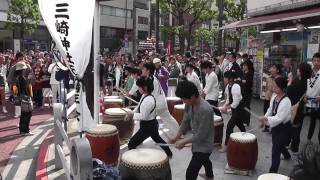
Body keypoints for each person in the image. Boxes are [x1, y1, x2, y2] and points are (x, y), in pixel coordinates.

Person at [171, 80, 214, 180]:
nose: (183, 101)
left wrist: (184, 141)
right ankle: (210, 176)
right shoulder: (189, 103)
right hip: (196, 141)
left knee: (190, 173)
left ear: (192, 96)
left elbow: (201, 135)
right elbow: (185, 120)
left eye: (184, 99)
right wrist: (177, 136)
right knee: (205, 161)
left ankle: (209, 175)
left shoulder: (206, 110)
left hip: (205, 144)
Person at [126, 77, 172, 157]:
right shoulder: (145, 95)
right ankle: (169, 153)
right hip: (150, 124)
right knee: (158, 139)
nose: (138, 89)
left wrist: (132, 115)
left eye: (139, 87)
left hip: (148, 126)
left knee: (131, 143)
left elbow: (144, 116)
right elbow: (139, 106)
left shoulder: (149, 101)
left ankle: (133, 161)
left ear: (145, 87)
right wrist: (132, 112)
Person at [259, 77, 292, 173]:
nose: (273, 87)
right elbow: (270, 110)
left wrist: (266, 120)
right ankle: (287, 155)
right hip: (276, 126)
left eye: (276, 86)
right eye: (274, 85)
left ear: (282, 88)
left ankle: (272, 172)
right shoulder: (274, 96)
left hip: (284, 128)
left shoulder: (286, 102)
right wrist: (264, 118)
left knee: (275, 150)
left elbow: (279, 118)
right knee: (277, 144)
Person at [141, 62, 179, 139]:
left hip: (157, 104)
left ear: (148, 70)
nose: (142, 70)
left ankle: (137, 137)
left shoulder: (151, 80)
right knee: (168, 118)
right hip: (162, 103)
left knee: (142, 118)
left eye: (143, 69)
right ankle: (178, 134)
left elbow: (149, 96)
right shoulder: (153, 78)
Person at [287, 63, 312, 152]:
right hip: (294, 106)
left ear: (302, 71)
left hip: (298, 108)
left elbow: (289, 91)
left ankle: (295, 147)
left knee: (295, 128)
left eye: (298, 69)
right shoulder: (298, 79)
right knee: (294, 127)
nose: (297, 70)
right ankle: (292, 145)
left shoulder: (304, 82)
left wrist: (290, 81)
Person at [219, 70, 246, 152]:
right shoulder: (228, 86)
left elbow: (235, 103)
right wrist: (224, 106)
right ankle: (246, 137)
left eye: (225, 78)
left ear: (230, 79)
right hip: (235, 109)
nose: (224, 79)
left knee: (229, 126)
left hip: (239, 109)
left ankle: (227, 146)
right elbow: (228, 99)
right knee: (240, 124)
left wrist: (226, 108)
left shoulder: (236, 87)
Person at [13, 62, 34, 135]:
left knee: (24, 115)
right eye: (24, 69)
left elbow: (15, 90)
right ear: (22, 70)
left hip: (21, 98)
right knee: (27, 114)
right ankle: (25, 130)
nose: (25, 70)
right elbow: (25, 87)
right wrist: (28, 80)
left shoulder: (17, 77)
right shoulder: (21, 78)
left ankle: (23, 130)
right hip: (25, 98)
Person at [263, 64, 282, 132]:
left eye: (273, 68)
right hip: (267, 97)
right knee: (266, 111)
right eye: (271, 68)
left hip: (275, 99)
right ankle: (266, 127)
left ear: (277, 70)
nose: (271, 69)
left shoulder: (280, 79)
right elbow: (267, 88)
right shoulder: (269, 78)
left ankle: (273, 128)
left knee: (274, 113)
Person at [306, 52, 320, 144]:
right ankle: (307, 139)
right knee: (308, 121)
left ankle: (314, 140)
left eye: (319, 61)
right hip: (307, 100)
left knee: (315, 121)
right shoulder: (308, 71)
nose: (316, 62)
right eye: (315, 60)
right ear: (312, 61)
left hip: (317, 100)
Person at [241, 60, 254, 126]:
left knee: (247, 106)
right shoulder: (244, 72)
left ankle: (246, 121)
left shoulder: (250, 73)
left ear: (248, 66)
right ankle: (243, 119)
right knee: (243, 106)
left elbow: (248, 82)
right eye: (243, 65)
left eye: (245, 65)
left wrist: (241, 81)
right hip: (243, 91)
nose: (243, 66)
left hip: (247, 92)